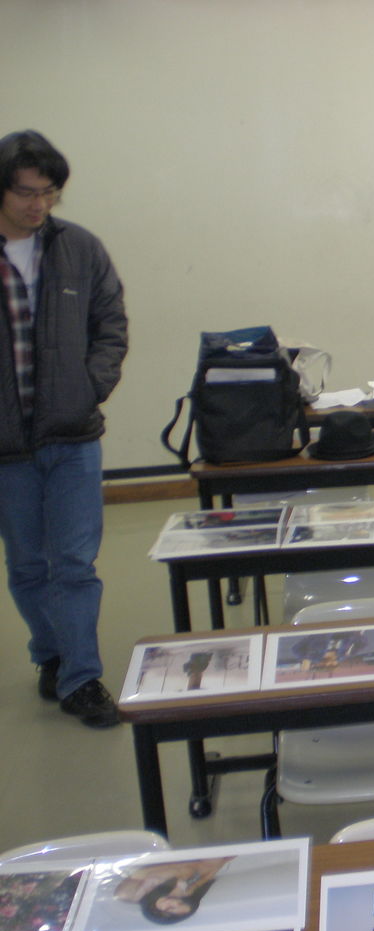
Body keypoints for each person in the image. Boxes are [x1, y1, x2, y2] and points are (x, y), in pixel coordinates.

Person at [0, 130, 128, 728]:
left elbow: (110, 323)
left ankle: (81, 677)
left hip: (72, 435)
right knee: (28, 566)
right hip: (6, 448)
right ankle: (50, 653)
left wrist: (89, 384)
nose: (40, 205)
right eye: (27, 193)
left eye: (49, 192)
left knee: (74, 564)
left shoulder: (78, 248)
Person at [114, 857, 231, 925]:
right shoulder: (192, 883)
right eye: (181, 902)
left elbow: (125, 890)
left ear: (153, 910)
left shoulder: (134, 893)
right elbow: (219, 860)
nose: (174, 901)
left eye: (169, 908)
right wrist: (184, 886)